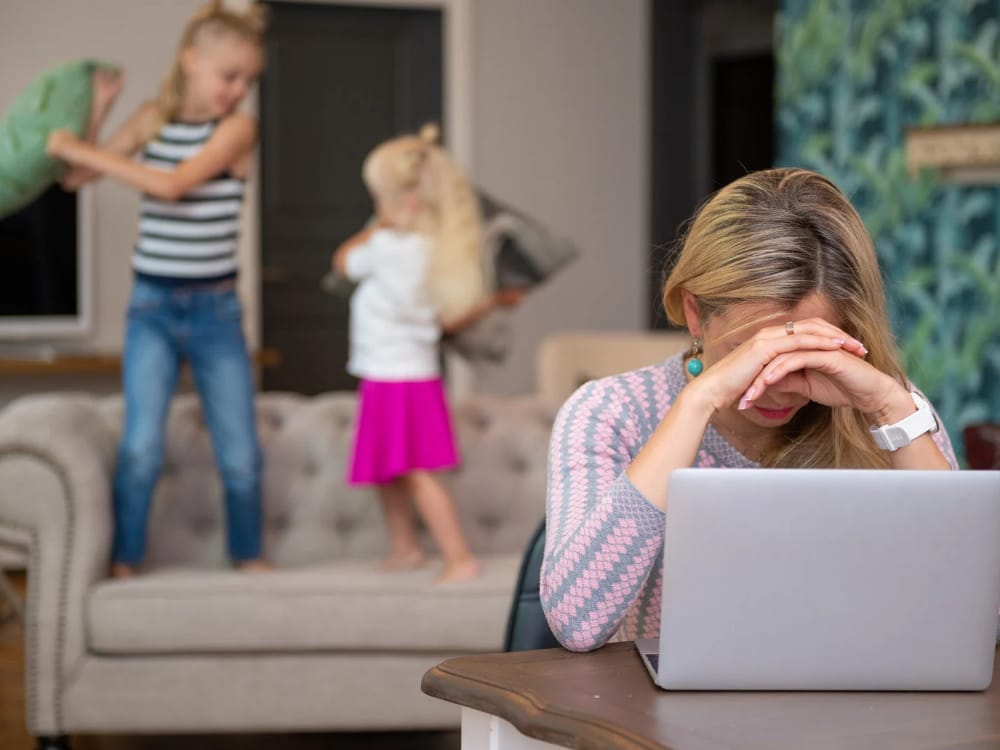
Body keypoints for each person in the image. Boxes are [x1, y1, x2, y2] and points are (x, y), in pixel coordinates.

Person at [541, 168, 958, 652]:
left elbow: (975, 612)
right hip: (665, 718)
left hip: (858, 703)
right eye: (751, 352)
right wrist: (698, 402)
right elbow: (578, 622)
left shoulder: (892, 410)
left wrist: (889, 405)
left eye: (806, 355)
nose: (777, 387)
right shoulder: (610, 412)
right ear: (695, 313)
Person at [46, 1, 269, 578]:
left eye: (248, 79)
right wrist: (98, 114)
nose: (238, 89)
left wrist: (76, 146)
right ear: (191, 62)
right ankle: (125, 561)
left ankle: (249, 557)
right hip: (151, 307)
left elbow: (171, 186)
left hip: (216, 311)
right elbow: (76, 178)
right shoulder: (151, 119)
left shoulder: (238, 129)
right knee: (141, 446)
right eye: (230, 76)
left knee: (240, 455)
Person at [332, 127, 521, 583]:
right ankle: (406, 548)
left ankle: (459, 557)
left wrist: (376, 227)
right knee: (388, 470)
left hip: (393, 377)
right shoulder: (437, 254)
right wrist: (493, 303)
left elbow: (341, 262)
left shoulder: (383, 248)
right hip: (408, 374)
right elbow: (445, 323)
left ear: (404, 205)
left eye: (378, 200)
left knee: (413, 472)